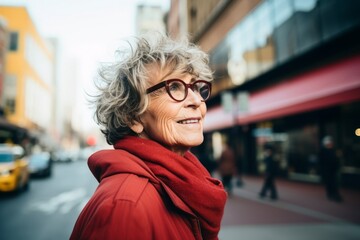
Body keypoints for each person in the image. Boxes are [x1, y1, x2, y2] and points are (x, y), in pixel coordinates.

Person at [70, 32, 227, 240]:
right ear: (133, 116)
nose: (196, 100)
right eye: (174, 87)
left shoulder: (183, 182)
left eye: (196, 87)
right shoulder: (125, 208)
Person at [319, 136, 343, 202]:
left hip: (334, 170)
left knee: (335, 182)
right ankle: (331, 194)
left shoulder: (333, 151)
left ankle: (335, 194)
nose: (330, 145)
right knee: (329, 183)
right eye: (328, 144)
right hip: (327, 170)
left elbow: (337, 160)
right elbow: (322, 162)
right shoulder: (323, 151)